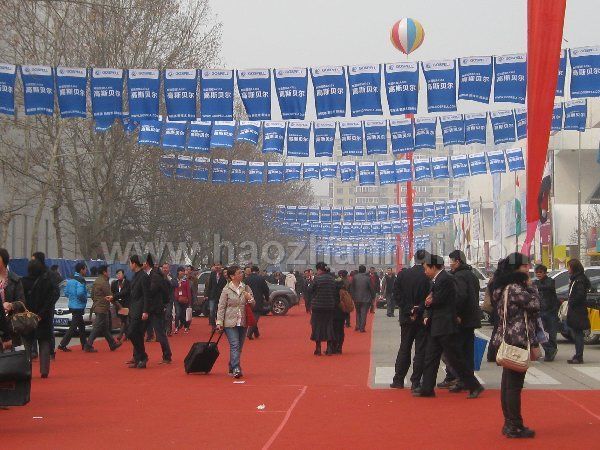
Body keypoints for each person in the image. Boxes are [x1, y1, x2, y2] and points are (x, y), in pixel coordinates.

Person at [414, 254, 484, 399]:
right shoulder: (438, 279)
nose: (425, 272)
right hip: (437, 325)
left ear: (434, 267)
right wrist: (423, 306)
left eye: (426, 268)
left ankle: (474, 385)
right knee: (430, 358)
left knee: (455, 359)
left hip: (445, 325)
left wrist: (429, 302)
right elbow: (432, 300)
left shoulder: (445, 279)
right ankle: (427, 388)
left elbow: (440, 300)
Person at [490, 253, 540, 438]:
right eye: (525, 266)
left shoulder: (502, 286)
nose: (528, 269)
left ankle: (510, 422)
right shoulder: (515, 288)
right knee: (513, 385)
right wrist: (531, 286)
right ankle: (514, 425)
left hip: (507, 337)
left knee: (508, 383)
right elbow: (535, 304)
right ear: (516, 268)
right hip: (517, 338)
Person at [438, 250, 482, 391]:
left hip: (462, 319)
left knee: (458, 351)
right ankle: (465, 379)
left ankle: (460, 379)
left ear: (457, 261)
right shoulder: (472, 275)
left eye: (451, 261)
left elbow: (460, 296)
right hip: (471, 318)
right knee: (467, 350)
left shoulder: (459, 276)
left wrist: (456, 313)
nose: (450, 264)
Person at [390, 250, 430, 390]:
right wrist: (417, 309)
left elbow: (396, 294)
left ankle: (398, 379)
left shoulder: (403, 274)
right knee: (420, 350)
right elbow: (430, 296)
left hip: (406, 317)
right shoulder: (428, 276)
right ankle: (415, 382)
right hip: (422, 317)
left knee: (404, 347)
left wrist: (408, 309)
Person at [215, 265, 255, 378]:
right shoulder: (226, 290)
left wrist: (250, 299)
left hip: (242, 321)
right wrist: (219, 322)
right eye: (239, 273)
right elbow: (221, 307)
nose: (241, 274)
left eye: (241, 272)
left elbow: (253, 304)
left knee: (239, 347)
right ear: (232, 276)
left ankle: (232, 366)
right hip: (229, 322)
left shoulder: (246, 287)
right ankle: (236, 367)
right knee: (235, 345)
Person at [19, 259, 56, 378]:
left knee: (27, 344)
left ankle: (27, 370)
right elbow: (50, 300)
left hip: (27, 317)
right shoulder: (47, 282)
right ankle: (44, 371)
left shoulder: (23, 282)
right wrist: (42, 313)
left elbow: (20, 300)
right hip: (43, 318)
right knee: (44, 343)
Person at [84, 265, 121, 352]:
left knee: (104, 328)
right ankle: (88, 345)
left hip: (97, 306)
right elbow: (110, 296)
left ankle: (112, 344)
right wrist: (119, 306)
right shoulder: (104, 282)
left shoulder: (96, 281)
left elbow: (92, 295)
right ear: (104, 272)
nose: (109, 272)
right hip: (103, 308)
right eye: (108, 271)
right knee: (97, 327)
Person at [145, 256, 172, 364]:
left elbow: (152, 291)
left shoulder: (155, 276)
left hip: (155, 308)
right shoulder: (151, 274)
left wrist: (163, 304)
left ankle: (167, 355)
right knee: (138, 332)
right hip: (150, 307)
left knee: (160, 333)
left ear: (146, 263)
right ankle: (137, 355)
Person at [307, 262, 336, 355]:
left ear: (319, 269)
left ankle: (318, 348)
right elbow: (334, 292)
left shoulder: (317, 279)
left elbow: (310, 290)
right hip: (329, 306)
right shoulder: (332, 279)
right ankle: (329, 348)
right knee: (329, 326)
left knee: (317, 326)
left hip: (318, 306)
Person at [58, 262, 88, 351]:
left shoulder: (70, 280)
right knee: (73, 327)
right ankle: (62, 344)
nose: (86, 271)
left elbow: (66, 292)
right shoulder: (81, 280)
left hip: (72, 305)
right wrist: (84, 299)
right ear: (81, 270)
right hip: (78, 306)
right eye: (85, 269)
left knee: (81, 326)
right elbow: (80, 293)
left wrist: (72, 298)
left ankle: (84, 344)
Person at [565, 258, 591, 364]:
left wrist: (571, 302)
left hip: (578, 310)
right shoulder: (575, 279)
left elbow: (580, 295)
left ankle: (579, 356)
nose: (568, 269)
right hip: (576, 310)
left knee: (578, 333)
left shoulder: (579, 280)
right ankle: (577, 355)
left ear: (574, 268)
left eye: (569, 267)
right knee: (576, 333)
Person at [126, 255, 150, 369]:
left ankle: (143, 356)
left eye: (130, 263)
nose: (129, 265)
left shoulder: (144, 276)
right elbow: (129, 291)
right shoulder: (135, 276)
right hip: (133, 309)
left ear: (134, 263)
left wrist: (145, 311)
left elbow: (147, 295)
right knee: (138, 335)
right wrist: (114, 297)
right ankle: (139, 358)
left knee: (131, 332)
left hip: (140, 310)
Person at [533, 264, 559, 362]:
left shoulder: (550, 281)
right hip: (540, 311)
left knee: (552, 333)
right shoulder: (536, 282)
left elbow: (547, 287)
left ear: (545, 273)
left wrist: (535, 286)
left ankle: (551, 351)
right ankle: (549, 350)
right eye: (537, 272)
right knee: (541, 333)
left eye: (540, 272)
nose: (538, 274)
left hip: (551, 311)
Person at [0, 248, 24, 350]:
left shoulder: (15, 280)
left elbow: (22, 302)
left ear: (4, 261)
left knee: (15, 355)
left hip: (12, 325)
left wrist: (11, 305)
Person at [245, 266, 269, 340]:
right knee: (255, 316)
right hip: (258, 299)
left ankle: (256, 333)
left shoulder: (246, 279)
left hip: (248, 299)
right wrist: (267, 298)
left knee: (252, 315)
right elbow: (266, 289)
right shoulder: (261, 279)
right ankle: (249, 333)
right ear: (258, 271)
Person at [351, 265, 374, 333]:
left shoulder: (355, 277)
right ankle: (362, 328)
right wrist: (373, 296)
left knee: (358, 312)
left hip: (356, 298)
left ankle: (357, 325)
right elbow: (371, 288)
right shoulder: (368, 278)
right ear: (365, 270)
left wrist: (353, 296)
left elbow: (352, 287)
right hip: (366, 298)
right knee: (363, 313)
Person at [333, 270, 351, 354]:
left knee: (334, 330)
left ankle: (334, 347)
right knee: (341, 331)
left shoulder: (333, 292)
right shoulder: (344, 291)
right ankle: (339, 347)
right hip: (342, 313)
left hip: (334, 313)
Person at [111, 269, 131, 342]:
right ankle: (128, 335)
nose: (118, 275)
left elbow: (126, 292)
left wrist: (115, 296)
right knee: (123, 320)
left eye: (120, 274)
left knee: (124, 319)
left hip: (126, 304)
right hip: (117, 304)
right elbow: (112, 292)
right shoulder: (114, 283)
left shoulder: (128, 283)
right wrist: (114, 299)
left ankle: (120, 335)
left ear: (123, 274)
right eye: (117, 274)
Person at [207, 263, 226, 328]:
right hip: (212, 296)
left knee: (220, 311)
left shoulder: (224, 274)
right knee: (212, 311)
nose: (217, 266)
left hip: (221, 296)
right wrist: (208, 295)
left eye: (218, 265)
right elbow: (209, 285)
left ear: (221, 266)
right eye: (216, 265)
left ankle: (220, 325)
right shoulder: (212, 274)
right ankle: (213, 326)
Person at [174, 266, 192, 333]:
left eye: (183, 271)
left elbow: (188, 291)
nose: (182, 272)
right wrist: (176, 297)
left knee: (184, 314)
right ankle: (176, 327)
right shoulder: (175, 280)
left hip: (185, 299)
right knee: (178, 313)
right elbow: (174, 289)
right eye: (181, 271)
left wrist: (189, 301)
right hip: (177, 299)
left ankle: (186, 326)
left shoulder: (185, 280)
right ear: (178, 272)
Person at [161, 263, 178, 336]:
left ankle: (168, 330)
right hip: (161, 299)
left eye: (166, 268)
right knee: (162, 315)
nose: (165, 269)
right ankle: (163, 330)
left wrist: (169, 279)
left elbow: (176, 284)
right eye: (163, 268)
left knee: (168, 314)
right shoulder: (159, 277)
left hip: (169, 299)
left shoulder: (172, 277)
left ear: (169, 269)